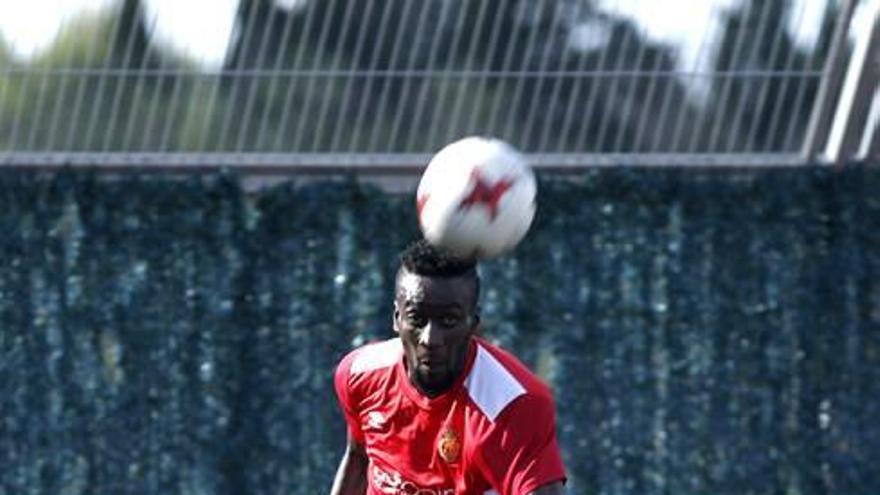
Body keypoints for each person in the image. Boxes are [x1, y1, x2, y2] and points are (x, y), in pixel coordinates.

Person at [330, 239, 566, 495]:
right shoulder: (359, 375)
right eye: (417, 319)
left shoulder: (512, 404)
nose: (430, 340)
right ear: (397, 319)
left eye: (449, 320)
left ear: (473, 323)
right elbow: (359, 458)